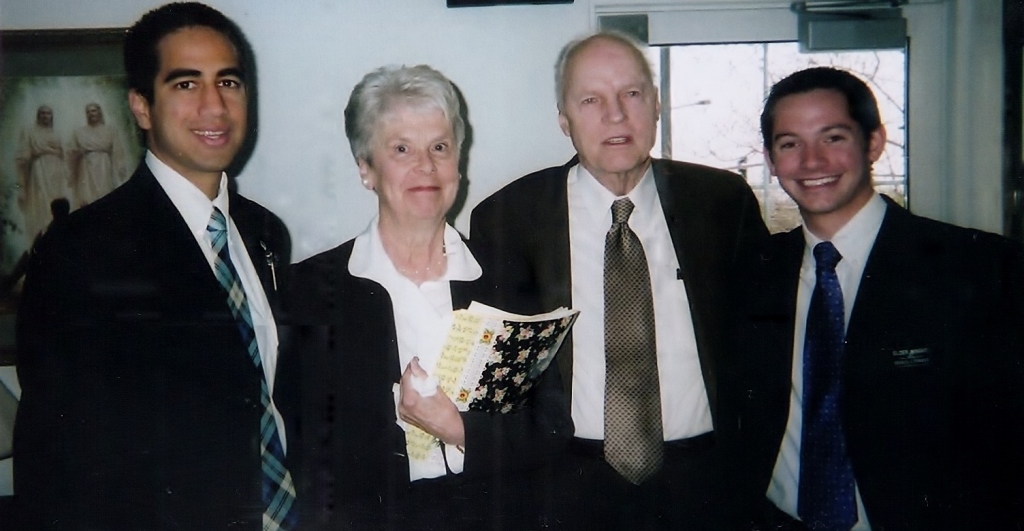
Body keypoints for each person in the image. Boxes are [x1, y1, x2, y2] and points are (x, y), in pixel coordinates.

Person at [470, 31, 769, 530]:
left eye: (631, 94)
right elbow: (499, 384)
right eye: (590, 99)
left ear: (655, 105)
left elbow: (764, 348)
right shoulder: (508, 219)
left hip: (708, 484)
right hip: (566, 485)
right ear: (563, 120)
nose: (615, 114)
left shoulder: (721, 203)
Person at [13, 3, 295, 529]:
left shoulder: (263, 234)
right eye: (185, 85)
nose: (214, 106)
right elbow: (54, 457)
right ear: (141, 107)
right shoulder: (83, 250)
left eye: (228, 82)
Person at [278, 64, 572, 530]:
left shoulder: (507, 277)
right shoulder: (311, 291)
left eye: (439, 147)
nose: (426, 166)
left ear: (459, 160)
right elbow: (305, 454)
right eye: (401, 149)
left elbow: (552, 429)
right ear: (365, 168)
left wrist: (457, 429)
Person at [730, 66, 1024, 530]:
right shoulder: (754, 273)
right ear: (770, 159)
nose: (811, 162)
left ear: (873, 143)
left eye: (833, 137)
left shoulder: (980, 269)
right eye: (790, 144)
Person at [15, 105, 70, 240]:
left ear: (52, 116)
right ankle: (41, 234)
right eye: (43, 113)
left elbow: (65, 154)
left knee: (56, 199)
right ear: (38, 115)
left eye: (48, 113)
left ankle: (57, 233)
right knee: (40, 201)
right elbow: (22, 156)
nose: (45, 116)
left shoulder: (56, 133)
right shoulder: (30, 132)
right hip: (39, 171)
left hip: (56, 171)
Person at [68, 102, 129, 207]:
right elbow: (71, 152)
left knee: (104, 194)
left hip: (103, 165)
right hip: (86, 168)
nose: (91, 114)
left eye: (94, 111)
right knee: (87, 197)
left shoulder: (110, 130)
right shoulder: (79, 132)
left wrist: (120, 168)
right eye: (88, 112)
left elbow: (118, 151)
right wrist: (78, 154)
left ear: (99, 112)